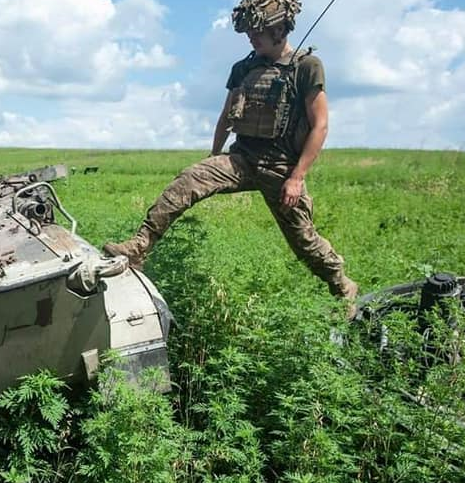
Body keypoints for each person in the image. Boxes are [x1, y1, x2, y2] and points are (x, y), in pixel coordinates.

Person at [102, 0, 358, 313]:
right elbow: (226, 117)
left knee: (304, 242)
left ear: (279, 29)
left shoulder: (307, 66)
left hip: (281, 167)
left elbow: (320, 125)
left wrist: (297, 177)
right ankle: (139, 247)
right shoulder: (243, 68)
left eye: (258, 32)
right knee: (187, 180)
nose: (251, 37)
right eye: (249, 32)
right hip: (242, 159)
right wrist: (211, 160)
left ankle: (342, 286)